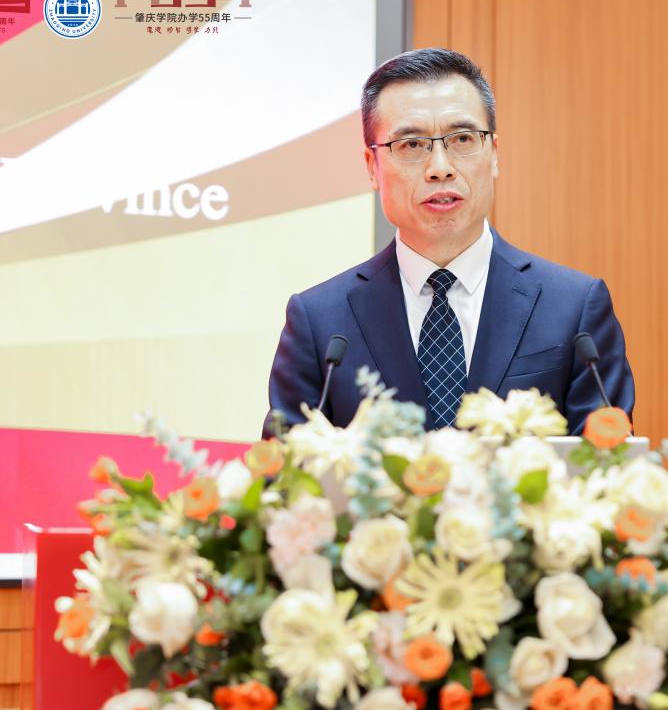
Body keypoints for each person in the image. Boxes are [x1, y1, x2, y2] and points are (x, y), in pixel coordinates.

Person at [265, 48, 634, 434]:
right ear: (372, 167)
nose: (440, 168)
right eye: (411, 145)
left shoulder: (574, 308)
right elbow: (287, 466)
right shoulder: (320, 322)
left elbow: (603, 461)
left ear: (494, 154)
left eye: (462, 138)